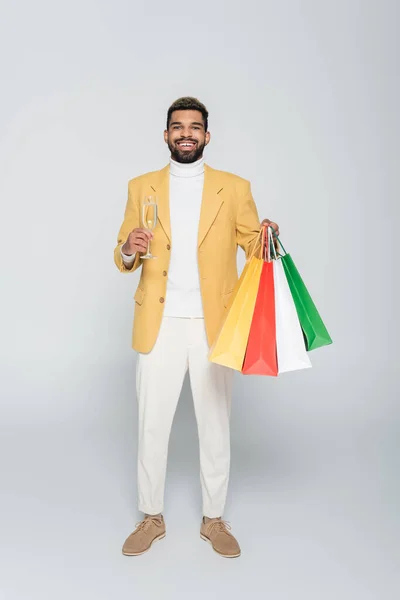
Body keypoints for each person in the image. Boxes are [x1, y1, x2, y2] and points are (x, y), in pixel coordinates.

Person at [114, 97, 279, 558]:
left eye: (194, 127)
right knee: (151, 424)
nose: (186, 133)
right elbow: (123, 252)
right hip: (158, 322)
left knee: (215, 423)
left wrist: (265, 236)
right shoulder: (140, 186)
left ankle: (213, 518)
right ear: (165, 135)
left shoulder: (235, 187)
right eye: (177, 126)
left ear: (207, 136)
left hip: (214, 323)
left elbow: (252, 245)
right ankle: (151, 516)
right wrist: (129, 246)